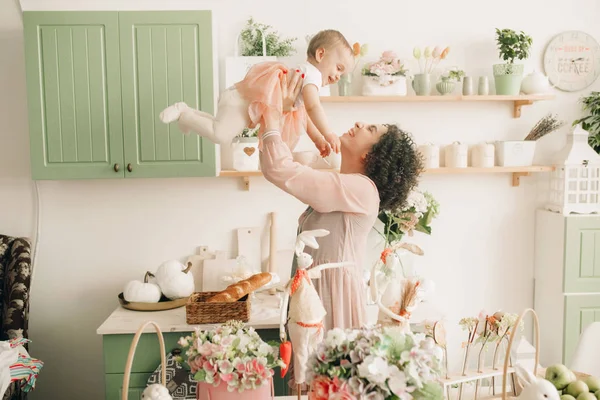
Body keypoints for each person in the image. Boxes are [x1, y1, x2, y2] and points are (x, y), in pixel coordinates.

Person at [259, 71, 424, 332]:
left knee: (324, 369)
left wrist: (271, 117)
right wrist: (288, 111)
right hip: (318, 294)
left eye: (371, 129)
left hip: (330, 298)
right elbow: (280, 166)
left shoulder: (362, 190)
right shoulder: (348, 188)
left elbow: (279, 169)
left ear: (372, 155)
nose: (359, 123)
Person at [159, 29, 355, 157]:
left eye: (343, 73)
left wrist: (318, 140)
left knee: (219, 128)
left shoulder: (305, 75)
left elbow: (304, 115)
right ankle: (184, 113)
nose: (338, 76)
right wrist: (328, 133)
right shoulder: (311, 76)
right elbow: (313, 107)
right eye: (339, 68)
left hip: (240, 100)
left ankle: (188, 116)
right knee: (220, 135)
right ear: (321, 55)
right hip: (241, 102)